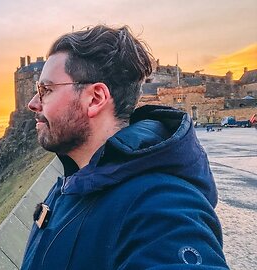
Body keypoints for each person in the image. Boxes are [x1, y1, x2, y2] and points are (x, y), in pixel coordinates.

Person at [22, 25, 228, 269]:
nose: (33, 103)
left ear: (96, 98)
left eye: (46, 90)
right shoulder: (71, 184)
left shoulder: (161, 207)